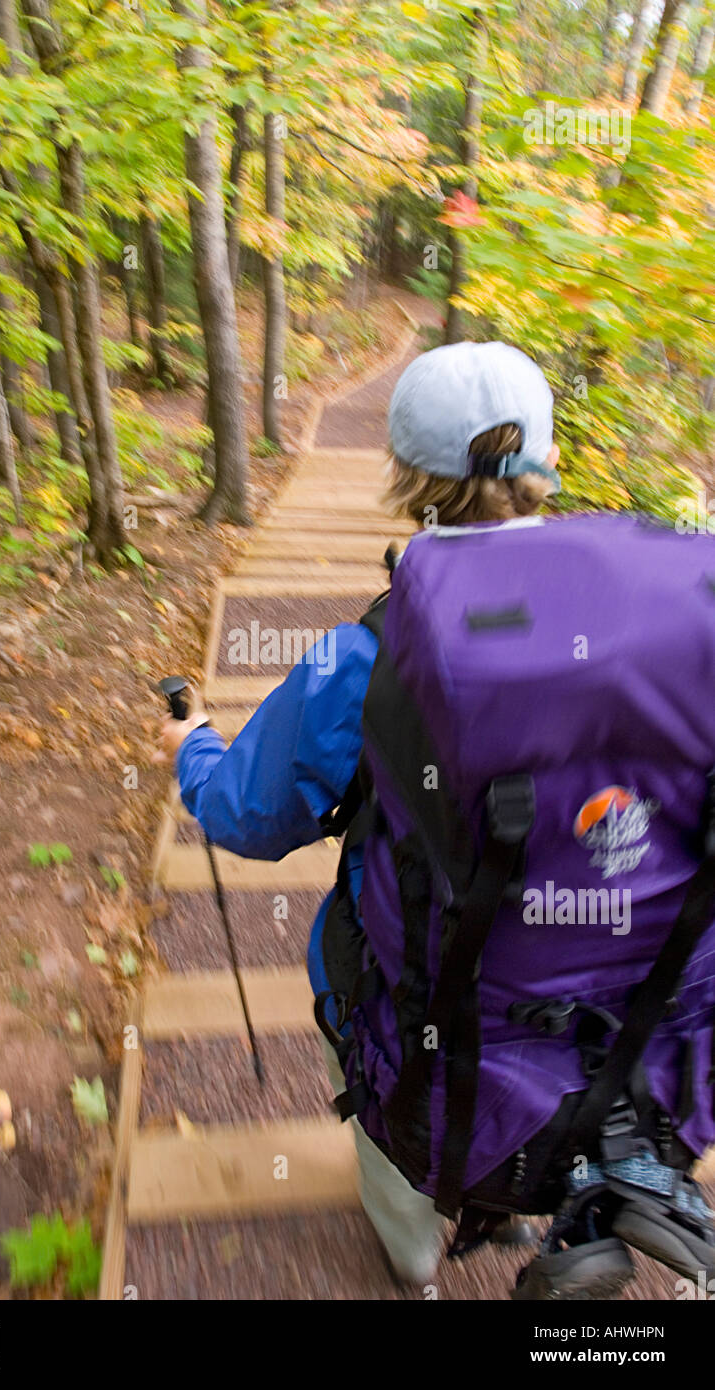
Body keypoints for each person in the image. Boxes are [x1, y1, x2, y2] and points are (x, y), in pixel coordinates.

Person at [154, 342, 561, 1286]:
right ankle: (519, 1200)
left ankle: (413, 1250)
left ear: (406, 478)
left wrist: (195, 747)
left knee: (401, 1071)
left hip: (421, 989)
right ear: (543, 466)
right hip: (605, 980)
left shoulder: (371, 656)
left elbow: (245, 814)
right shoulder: (643, 634)